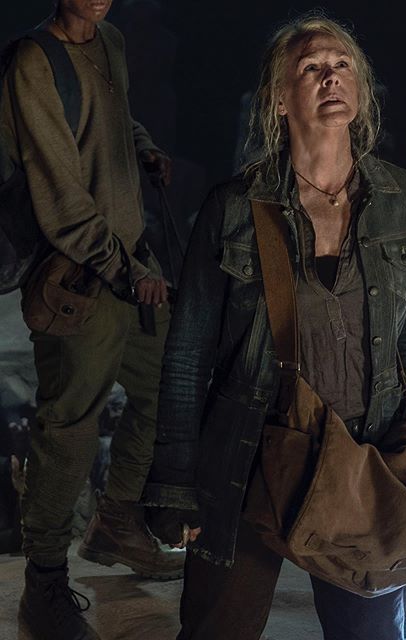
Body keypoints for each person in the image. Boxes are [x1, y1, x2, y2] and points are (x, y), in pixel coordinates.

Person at [143, 14, 406, 640]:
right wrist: (174, 481)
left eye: (342, 65)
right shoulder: (236, 208)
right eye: (311, 68)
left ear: (361, 87)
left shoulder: (405, 201)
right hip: (249, 456)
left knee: (366, 633)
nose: (330, 77)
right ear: (279, 98)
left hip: (363, 457)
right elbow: (186, 355)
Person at [0, 1, 185, 638]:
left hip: (128, 262)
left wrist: (143, 147)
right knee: (69, 427)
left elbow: (111, 119)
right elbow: (57, 190)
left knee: (163, 385)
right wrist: (122, 268)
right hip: (76, 275)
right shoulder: (34, 60)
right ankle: (45, 580)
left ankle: (118, 522)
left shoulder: (109, 39)